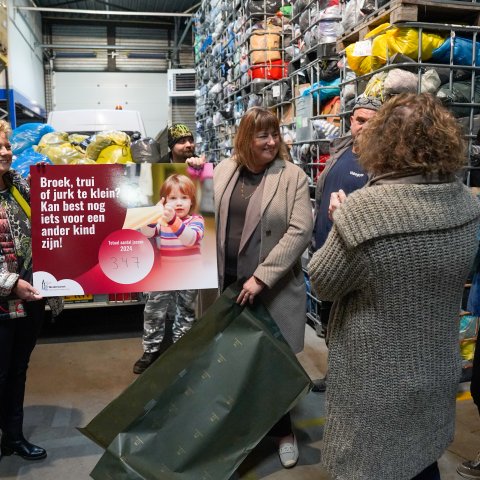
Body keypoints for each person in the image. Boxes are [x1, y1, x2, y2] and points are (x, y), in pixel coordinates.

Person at [308, 93, 480, 480]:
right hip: (436, 367)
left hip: (377, 378)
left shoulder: (367, 210)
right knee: (422, 459)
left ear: (382, 140)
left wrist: (342, 222)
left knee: (373, 465)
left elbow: (323, 283)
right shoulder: (466, 204)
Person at [214, 107, 313, 469]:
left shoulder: (292, 177)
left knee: (271, 367)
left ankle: (284, 433)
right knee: (232, 365)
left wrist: (262, 276)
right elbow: (201, 209)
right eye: (262, 135)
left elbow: (300, 231)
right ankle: (237, 435)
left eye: (275, 134)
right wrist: (187, 166)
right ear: (244, 139)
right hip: (227, 288)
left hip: (270, 290)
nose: (271, 141)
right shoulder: (224, 171)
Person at [0, 120, 63, 460]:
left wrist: (189, 171)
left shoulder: (19, 184)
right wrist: (9, 283)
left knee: (18, 369)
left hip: (32, 297)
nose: (6, 151)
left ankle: (12, 436)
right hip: (5, 299)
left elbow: (58, 214)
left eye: (7, 144)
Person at [133, 174, 204, 374]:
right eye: (172, 198)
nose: (179, 203)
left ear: (192, 201)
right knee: (153, 311)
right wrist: (153, 215)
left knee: (185, 313)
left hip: (189, 276)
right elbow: (146, 233)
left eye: (184, 197)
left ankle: (180, 349)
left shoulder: (195, 220)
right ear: (165, 201)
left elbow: (190, 239)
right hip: (165, 275)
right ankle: (150, 350)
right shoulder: (162, 222)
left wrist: (172, 220)